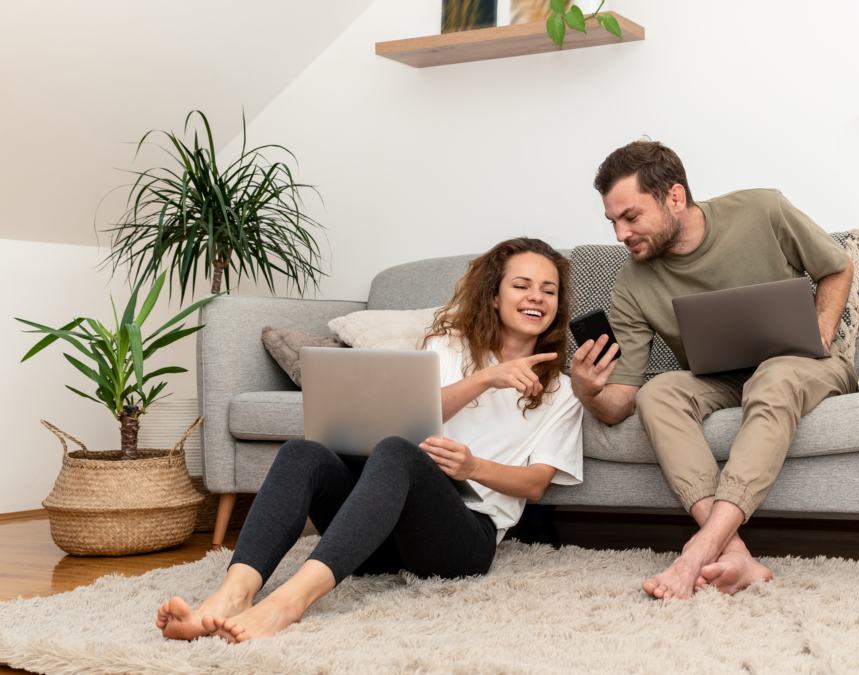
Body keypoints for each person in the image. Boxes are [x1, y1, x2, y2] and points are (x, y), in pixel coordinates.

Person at [157, 237, 583, 642]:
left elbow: (536, 483)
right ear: (494, 295)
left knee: (399, 452)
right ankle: (233, 593)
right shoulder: (447, 348)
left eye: (549, 290)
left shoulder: (563, 391)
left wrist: (472, 468)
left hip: (463, 539)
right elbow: (406, 416)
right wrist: (486, 378)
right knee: (303, 452)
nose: (536, 297)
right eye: (522, 285)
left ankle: (287, 604)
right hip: (376, 539)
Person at [570, 140, 857, 600]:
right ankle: (737, 554)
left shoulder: (763, 209)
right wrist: (587, 391)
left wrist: (821, 331)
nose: (620, 235)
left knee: (775, 375)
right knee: (657, 392)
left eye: (631, 217)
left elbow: (837, 266)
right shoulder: (632, 281)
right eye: (613, 222)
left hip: (803, 366)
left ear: (675, 198)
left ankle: (699, 549)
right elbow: (620, 402)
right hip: (721, 378)